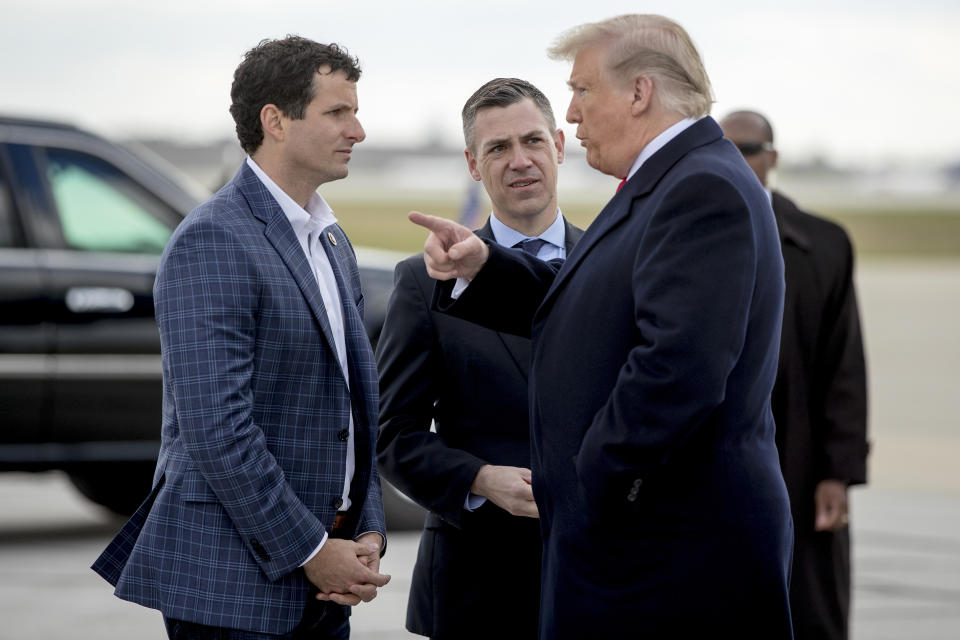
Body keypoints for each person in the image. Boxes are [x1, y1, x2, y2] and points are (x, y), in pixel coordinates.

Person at [408, 14, 794, 639]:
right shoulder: (671, 180)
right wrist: (486, 268)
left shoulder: (700, 188)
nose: (572, 113)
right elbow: (590, 308)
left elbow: (678, 370)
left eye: (582, 90)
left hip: (667, 550)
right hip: (648, 546)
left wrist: (588, 485)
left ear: (639, 92)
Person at [92, 36, 390, 639]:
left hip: (326, 579)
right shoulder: (214, 240)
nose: (357, 130)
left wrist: (367, 528)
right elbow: (216, 429)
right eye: (338, 112)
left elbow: (351, 410)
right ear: (275, 121)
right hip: (233, 587)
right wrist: (311, 549)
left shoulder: (330, 241)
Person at [376, 78, 583, 639]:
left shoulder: (614, 264)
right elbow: (392, 434)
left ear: (560, 146)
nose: (520, 161)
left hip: (600, 578)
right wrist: (480, 479)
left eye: (532, 141)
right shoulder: (425, 282)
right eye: (498, 148)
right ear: (473, 163)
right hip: (478, 584)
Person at [721, 109, 869, 640]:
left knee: (809, 606)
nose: (737, 159)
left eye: (749, 148)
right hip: (717, 463)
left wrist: (839, 472)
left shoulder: (823, 243)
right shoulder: (686, 236)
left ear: (773, 158)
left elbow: (844, 365)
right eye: (724, 147)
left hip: (801, 462)